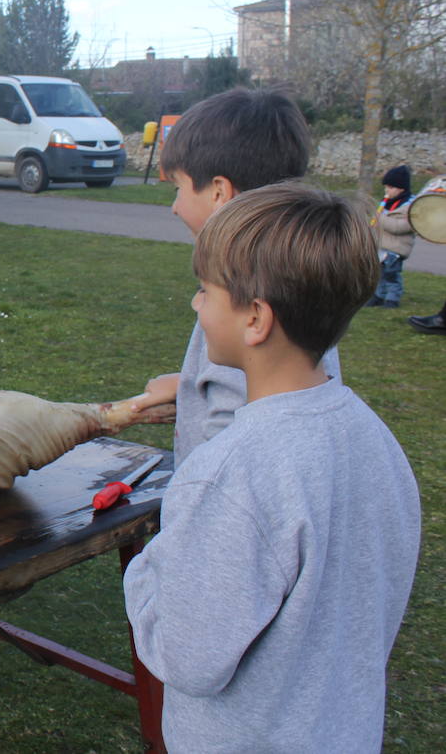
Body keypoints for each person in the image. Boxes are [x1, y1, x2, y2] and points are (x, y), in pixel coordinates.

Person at [124, 182, 420, 752]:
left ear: (256, 319)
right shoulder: (375, 440)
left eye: (204, 292)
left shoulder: (233, 473)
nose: (195, 305)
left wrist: (147, 568)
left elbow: (188, 659)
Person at [130, 87, 335, 468]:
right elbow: (254, 386)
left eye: (178, 187)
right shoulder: (298, 274)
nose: (174, 207)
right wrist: (191, 388)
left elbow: (231, 445)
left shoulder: (238, 296)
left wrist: (196, 495)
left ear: (220, 193)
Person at [366, 164, 415, 308]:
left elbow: (399, 227)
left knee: (392, 276)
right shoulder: (386, 204)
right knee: (379, 275)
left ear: (401, 189)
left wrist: (379, 218)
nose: (387, 191)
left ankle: (392, 299)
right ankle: (378, 296)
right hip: (381, 247)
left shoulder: (411, 207)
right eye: (386, 187)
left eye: (390, 188)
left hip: (396, 249)